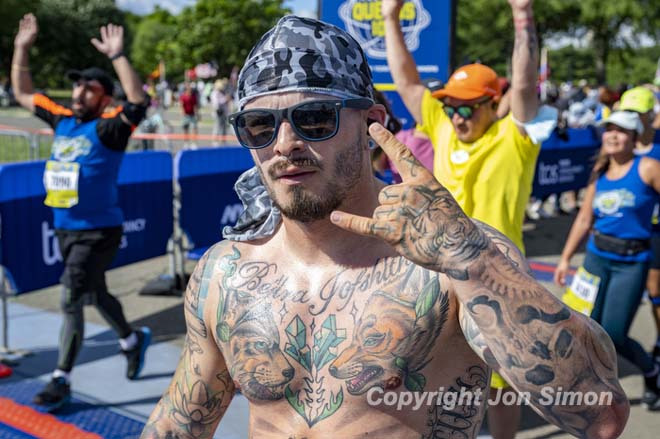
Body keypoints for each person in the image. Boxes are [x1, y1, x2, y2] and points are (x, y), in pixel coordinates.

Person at [141, 15, 628, 439]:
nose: (284, 143)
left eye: (314, 118)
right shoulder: (224, 275)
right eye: (260, 125)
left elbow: (599, 416)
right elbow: (181, 423)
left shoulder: (449, 267)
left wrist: (469, 258)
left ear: (373, 124)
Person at [382, 1, 557, 436]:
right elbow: (407, 82)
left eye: (467, 107)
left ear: (492, 104)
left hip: (500, 280)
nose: (456, 117)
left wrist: (522, 15)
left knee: (500, 384)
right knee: (434, 374)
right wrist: (389, 18)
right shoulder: (443, 127)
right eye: (451, 107)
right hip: (440, 278)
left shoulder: (514, 137)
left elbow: (524, 83)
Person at [11, 13, 151, 411]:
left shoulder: (109, 127)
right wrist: (21, 47)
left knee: (70, 298)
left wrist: (118, 56)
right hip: (64, 227)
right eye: (77, 84)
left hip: (99, 229)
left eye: (89, 87)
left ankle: (61, 378)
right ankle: (131, 339)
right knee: (96, 293)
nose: (79, 91)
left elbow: (138, 102)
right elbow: (23, 93)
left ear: (104, 97)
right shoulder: (63, 120)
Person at [554, 111, 660, 410]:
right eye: (609, 129)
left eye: (621, 130)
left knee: (613, 333)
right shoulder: (599, 173)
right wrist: (565, 259)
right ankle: (594, 386)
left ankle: (652, 371)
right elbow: (584, 219)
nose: (613, 135)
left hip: (631, 262)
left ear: (634, 137)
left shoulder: (647, 167)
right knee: (585, 326)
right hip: (596, 260)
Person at [619, 86, 660, 362]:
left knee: (655, 290)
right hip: (622, 234)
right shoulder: (620, 144)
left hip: (655, 230)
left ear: (649, 115)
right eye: (627, 112)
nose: (631, 118)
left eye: (637, 113)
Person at [210, 78, 231, 143]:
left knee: (224, 126)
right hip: (218, 112)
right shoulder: (215, 93)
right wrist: (225, 99)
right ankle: (215, 139)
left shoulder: (222, 92)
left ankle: (223, 139)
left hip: (223, 111)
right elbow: (216, 102)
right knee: (217, 125)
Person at [180, 82, 199, 147]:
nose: (190, 90)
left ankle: (194, 142)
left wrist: (197, 114)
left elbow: (195, 106)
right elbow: (181, 105)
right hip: (186, 114)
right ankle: (186, 142)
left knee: (194, 128)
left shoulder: (193, 96)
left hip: (192, 114)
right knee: (186, 129)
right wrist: (182, 112)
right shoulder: (183, 96)